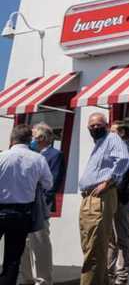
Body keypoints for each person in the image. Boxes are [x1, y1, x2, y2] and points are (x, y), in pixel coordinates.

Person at [77, 113, 129, 285]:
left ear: (106, 125)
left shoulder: (112, 138)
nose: (94, 128)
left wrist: (108, 182)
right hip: (90, 198)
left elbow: (124, 159)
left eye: (97, 125)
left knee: (94, 248)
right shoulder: (100, 144)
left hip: (100, 197)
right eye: (91, 126)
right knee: (92, 246)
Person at [0, 125, 53, 285]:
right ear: (30, 139)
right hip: (23, 212)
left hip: (1, 208)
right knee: (13, 259)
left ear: (12, 139)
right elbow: (48, 184)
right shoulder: (38, 159)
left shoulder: (2, 157)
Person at [19, 122, 65, 285]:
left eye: (33, 135)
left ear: (42, 138)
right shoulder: (28, 154)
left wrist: (41, 206)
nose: (31, 139)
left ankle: (44, 279)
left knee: (40, 244)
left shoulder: (55, 155)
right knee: (23, 245)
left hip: (40, 207)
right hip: (23, 206)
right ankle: (27, 278)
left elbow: (52, 184)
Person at [107, 121, 129, 285]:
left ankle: (121, 275)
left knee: (122, 238)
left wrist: (124, 196)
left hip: (122, 199)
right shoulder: (110, 149)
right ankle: (109, 272)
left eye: (113, 131)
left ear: (121, 132)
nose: (109, 134)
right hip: (108, 198)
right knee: (110, 238)